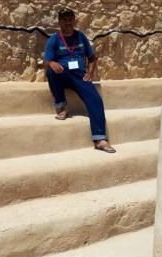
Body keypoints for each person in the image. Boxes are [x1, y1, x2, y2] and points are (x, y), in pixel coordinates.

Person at [43, 8, 116, 153]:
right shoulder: (54, 39)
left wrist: (90, 73)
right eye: (65, 19)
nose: (68, 22)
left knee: (95, 99)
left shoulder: (81, 37)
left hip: (80, 77)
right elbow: (46, 61)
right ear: (59, 22)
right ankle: (61, 106)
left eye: (70, 19)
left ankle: (100, 139)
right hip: (62, 76)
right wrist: (52, 63)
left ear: (74, 21)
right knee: (51, 72)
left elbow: (93, 58)